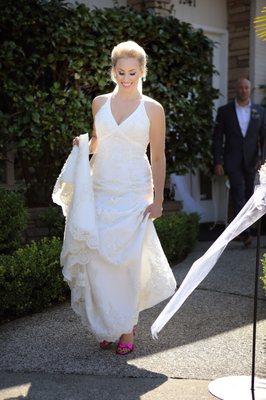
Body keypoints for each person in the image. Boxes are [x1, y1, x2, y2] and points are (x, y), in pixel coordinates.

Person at [69, 41, 176, 355]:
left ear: (142, 71)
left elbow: (158, 157)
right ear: (112, 71)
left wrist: (157, 199)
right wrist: (83, 144)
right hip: (100, 188)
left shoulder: (153, 109)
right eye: (121, 72)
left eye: (132, 72)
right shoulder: (99, 103)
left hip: (133, 192)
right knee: (99, 261)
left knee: (127, 262)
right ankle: (105, 323)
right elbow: (99, 143)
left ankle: (126, 327)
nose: (126, 78)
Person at [213, 78, 266, 246]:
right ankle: (245, 233)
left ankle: (239, 230)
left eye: (246, 88)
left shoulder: (260, 111)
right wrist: (218, 161)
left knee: (250, 195)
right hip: (232, 161)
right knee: (238, 193)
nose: (243, 90)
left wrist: (262, 159)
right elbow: (217, 139)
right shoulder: (225, 111)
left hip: (252, 162)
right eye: (240, 87)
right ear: (236, 90)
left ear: (250, 90)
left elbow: (264, 138)